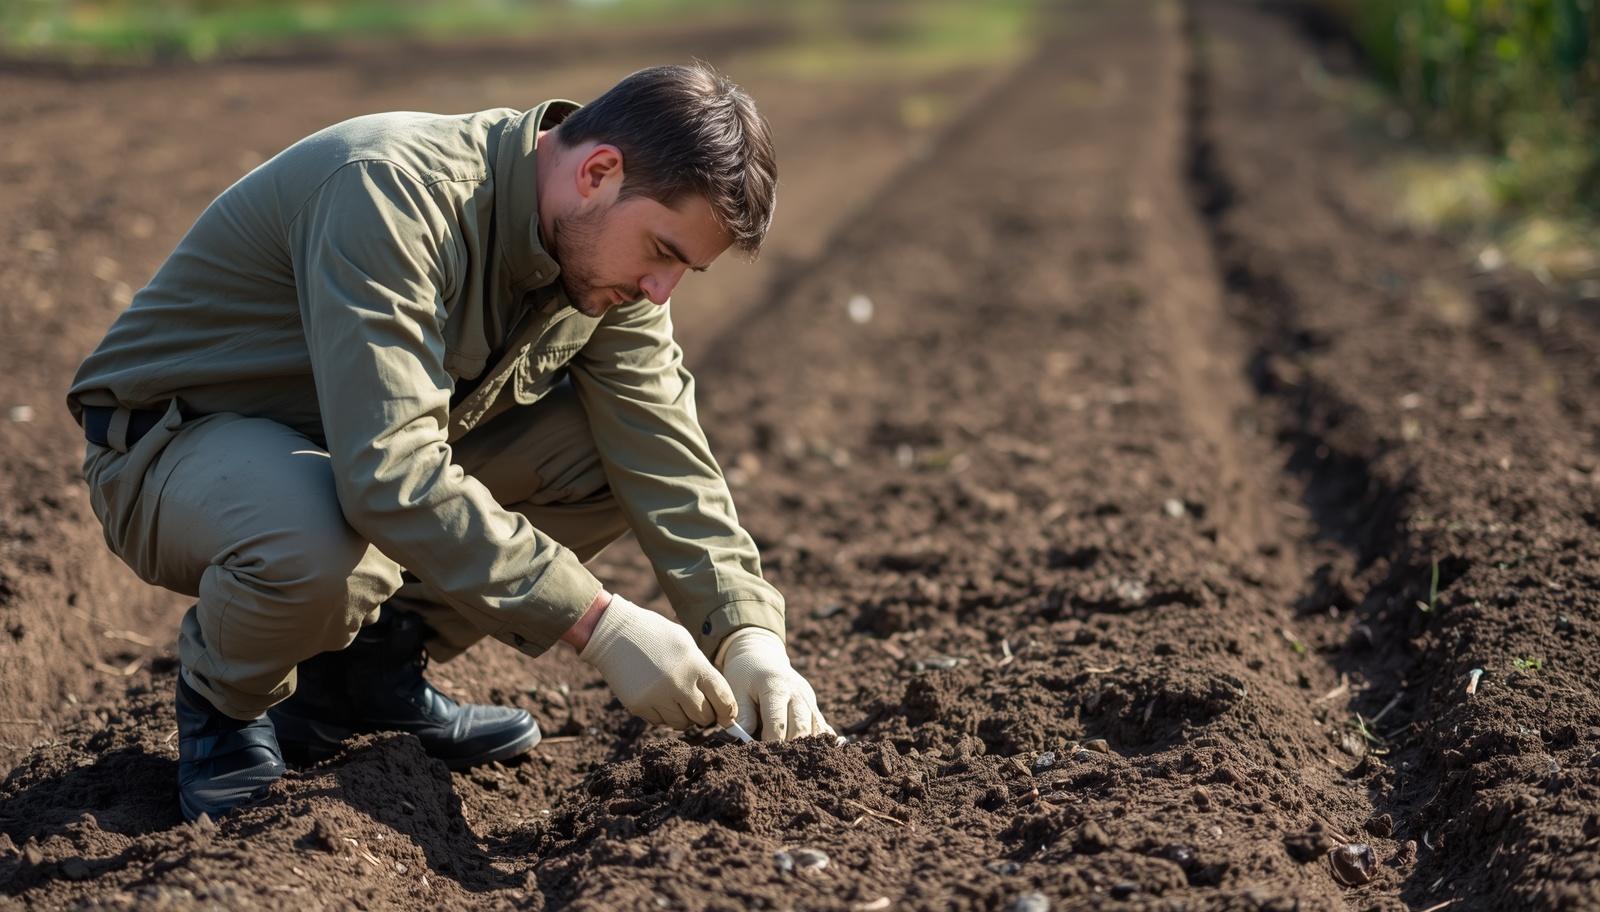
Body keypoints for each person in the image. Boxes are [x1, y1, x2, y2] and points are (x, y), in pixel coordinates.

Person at [66, 62, 832, 822]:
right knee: (316, 541)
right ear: (598, 171)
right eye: (664, 252)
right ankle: (223, 709)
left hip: (336, 455)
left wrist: (749, 636)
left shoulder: (603, 264)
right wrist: (599, 624)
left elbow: (664, 449)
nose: (663, 290)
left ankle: (360, 680)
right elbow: (391, 471)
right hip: (173, 446)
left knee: (604, 455)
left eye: (685, 270)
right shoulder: (392, 190)